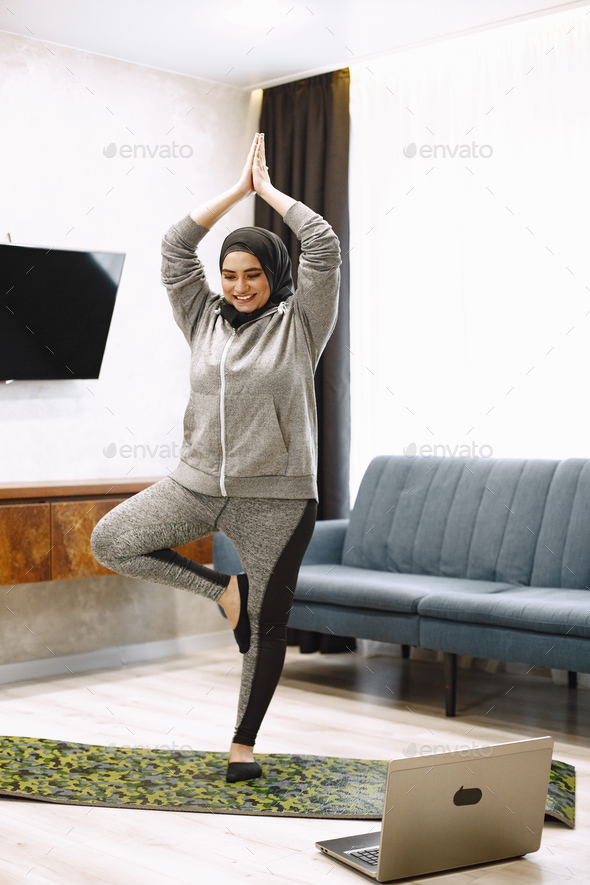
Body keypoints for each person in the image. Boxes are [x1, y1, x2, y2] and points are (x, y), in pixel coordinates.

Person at [90, 132, 341, 783]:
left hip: (278, 496)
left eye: (251, 274)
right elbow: (175, 247)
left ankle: (242, 745)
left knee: (268, 622)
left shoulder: (302, 322)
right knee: (111, 539)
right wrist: (233, 191)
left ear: (274, 274)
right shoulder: (200, 316)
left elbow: (325, 246)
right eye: (228, 276)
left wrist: (268, 194)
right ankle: (221, 591)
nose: (237, 287)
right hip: (195, 481)